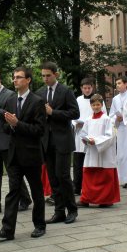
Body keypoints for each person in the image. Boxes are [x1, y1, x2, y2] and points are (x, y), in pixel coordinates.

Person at [0, 67, 46, 240]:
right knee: (13, 191)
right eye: (14, 77)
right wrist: (12, 125)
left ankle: (39, 225)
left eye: (19, 77)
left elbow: (39, 130)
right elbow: (5, 127)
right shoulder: (11, 100)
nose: (15, 80)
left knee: (37, 191)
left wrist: (18, 123)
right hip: (14, 154)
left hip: (31, 154)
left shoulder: (37, 101)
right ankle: (7, 230)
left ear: (28, 80)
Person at [0, 71, 31, 214]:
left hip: (6, 140)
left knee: (13, 173)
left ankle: (24, 198)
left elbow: (9, 116)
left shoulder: (10, 95)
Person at [37, 62, 80, 224]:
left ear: (56, 74)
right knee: (53, 178)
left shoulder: (65, 91)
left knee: (63, 176)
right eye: (43, 75)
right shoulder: (40, 93)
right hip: (46, 141)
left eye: (48, 75)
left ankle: (72, 210)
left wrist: (53, 112)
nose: (45, 78)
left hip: (62, 140)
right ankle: (59, 211)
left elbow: (75, 113)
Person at [77, 94, 120, 207]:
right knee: (89, 174)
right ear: (90, 105)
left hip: (103, 152)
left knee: (104, 175)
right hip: (92, 151)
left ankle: (105, 200)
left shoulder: (107, 119)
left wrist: (95, 141)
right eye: (93, 105)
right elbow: (84, 133)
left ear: (102, 105)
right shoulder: (88, 119)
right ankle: (86, 198)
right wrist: (85, 140)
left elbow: (110, 136)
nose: (96, 107)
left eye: (98, 104)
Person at [73, 78, 106, 196]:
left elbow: (104, 116)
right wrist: (75, 123)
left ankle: (91, 186)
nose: (87, 90)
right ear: (81, 88)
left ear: (93, 87)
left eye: (89, 88)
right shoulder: (78, 99)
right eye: (84, 88)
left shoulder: (97, 99)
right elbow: (73, 115)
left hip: (93, 135)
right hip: (80, 133)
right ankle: (76, 187)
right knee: (78, 162)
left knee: (91, 162)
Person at [110, 77, 127, 189]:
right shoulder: (115, 99)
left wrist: (124, 117)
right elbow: (111, 114)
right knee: (121, 155)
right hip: (120, 129)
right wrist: (116, 118)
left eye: (119, 83)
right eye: (116, 83)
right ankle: (124, 179)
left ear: (125, 84)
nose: (117, 85)